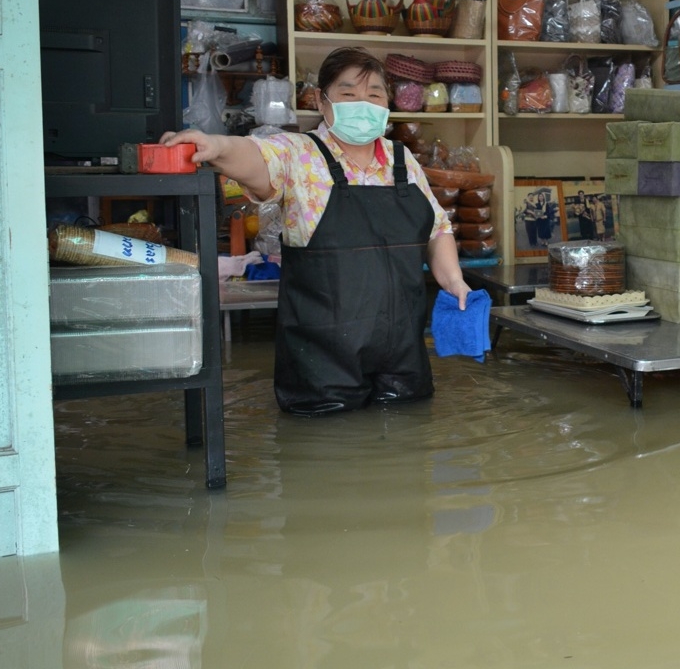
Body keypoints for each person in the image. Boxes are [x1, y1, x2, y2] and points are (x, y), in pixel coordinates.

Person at [161, 46, 470, 416]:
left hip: (402, 354)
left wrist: (454, 282)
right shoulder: (298, 154)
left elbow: (437, 228)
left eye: (374, 94)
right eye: (348, 93)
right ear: (323, 103)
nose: (364, 103)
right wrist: (216, 145)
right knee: (327, 448)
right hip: (323, 360)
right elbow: (256, 157)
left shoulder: (403, 162)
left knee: (412, 437)